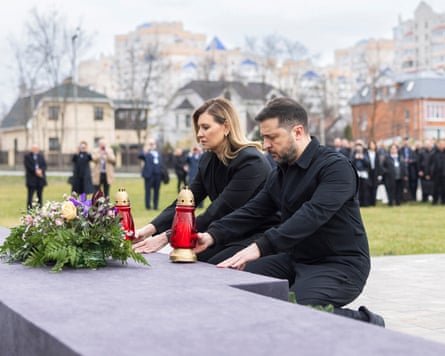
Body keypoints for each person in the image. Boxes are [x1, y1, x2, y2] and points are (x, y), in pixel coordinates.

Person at [195, 97, 384, 326]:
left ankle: (367, 322)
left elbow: (311, 215)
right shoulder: (281, 173)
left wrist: (260, 247)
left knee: (296, 312)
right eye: (264, 137)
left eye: (272, 137)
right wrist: (212, 235)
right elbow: (254, 210)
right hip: (294, 259)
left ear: (297, 132)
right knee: (233, 284)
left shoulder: (336, 168)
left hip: (338, 265)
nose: (265, 145)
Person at [133, 97, 277, 263]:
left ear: (226, 127)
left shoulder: (251, 162)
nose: (199, 134)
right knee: (185, 262)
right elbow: (186, 202)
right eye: (198, 128)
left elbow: (219, 210)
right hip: (224, 232)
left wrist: (166, 237)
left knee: (205, 265)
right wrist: (150, 229)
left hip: (256, 236)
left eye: (206, 127)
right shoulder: (208, 159)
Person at [138, 139, 164, 210]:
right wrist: (146, 149)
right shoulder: (146, 153)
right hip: (149, 175)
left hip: (158, 175)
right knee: (148, 191)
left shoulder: (158, 153)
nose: (152, 145)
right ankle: (148, 206)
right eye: (150, 144)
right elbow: (140, 156)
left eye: (153, 143)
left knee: (156, 191)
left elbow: (161, 163)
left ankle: (156, 206)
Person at [24, 144, 47, 209]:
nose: (35, 150)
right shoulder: (27, 156)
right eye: (34, 149)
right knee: (30, 196)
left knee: (40, 196)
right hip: (31, 180)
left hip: (40, 180)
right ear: (32, 149)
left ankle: (40, 209)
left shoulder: (41, 156)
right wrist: (35, 171)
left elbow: (44, 165)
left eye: (37, 149)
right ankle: (29, 209)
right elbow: (28, 166)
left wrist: (41, 171)